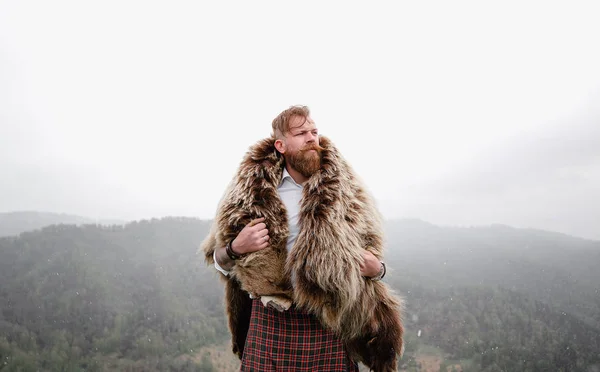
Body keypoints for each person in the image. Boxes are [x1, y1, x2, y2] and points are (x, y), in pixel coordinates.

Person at [201, 105, 403, 371]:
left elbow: (372, 261)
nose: (311, 138)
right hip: (270, 323)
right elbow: (218, 261)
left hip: (329, 321)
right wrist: (235, 248)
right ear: (281, 145)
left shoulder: (346, 191)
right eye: (301, 133)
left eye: (314, 131)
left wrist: (379, 270)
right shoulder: (248, 193)